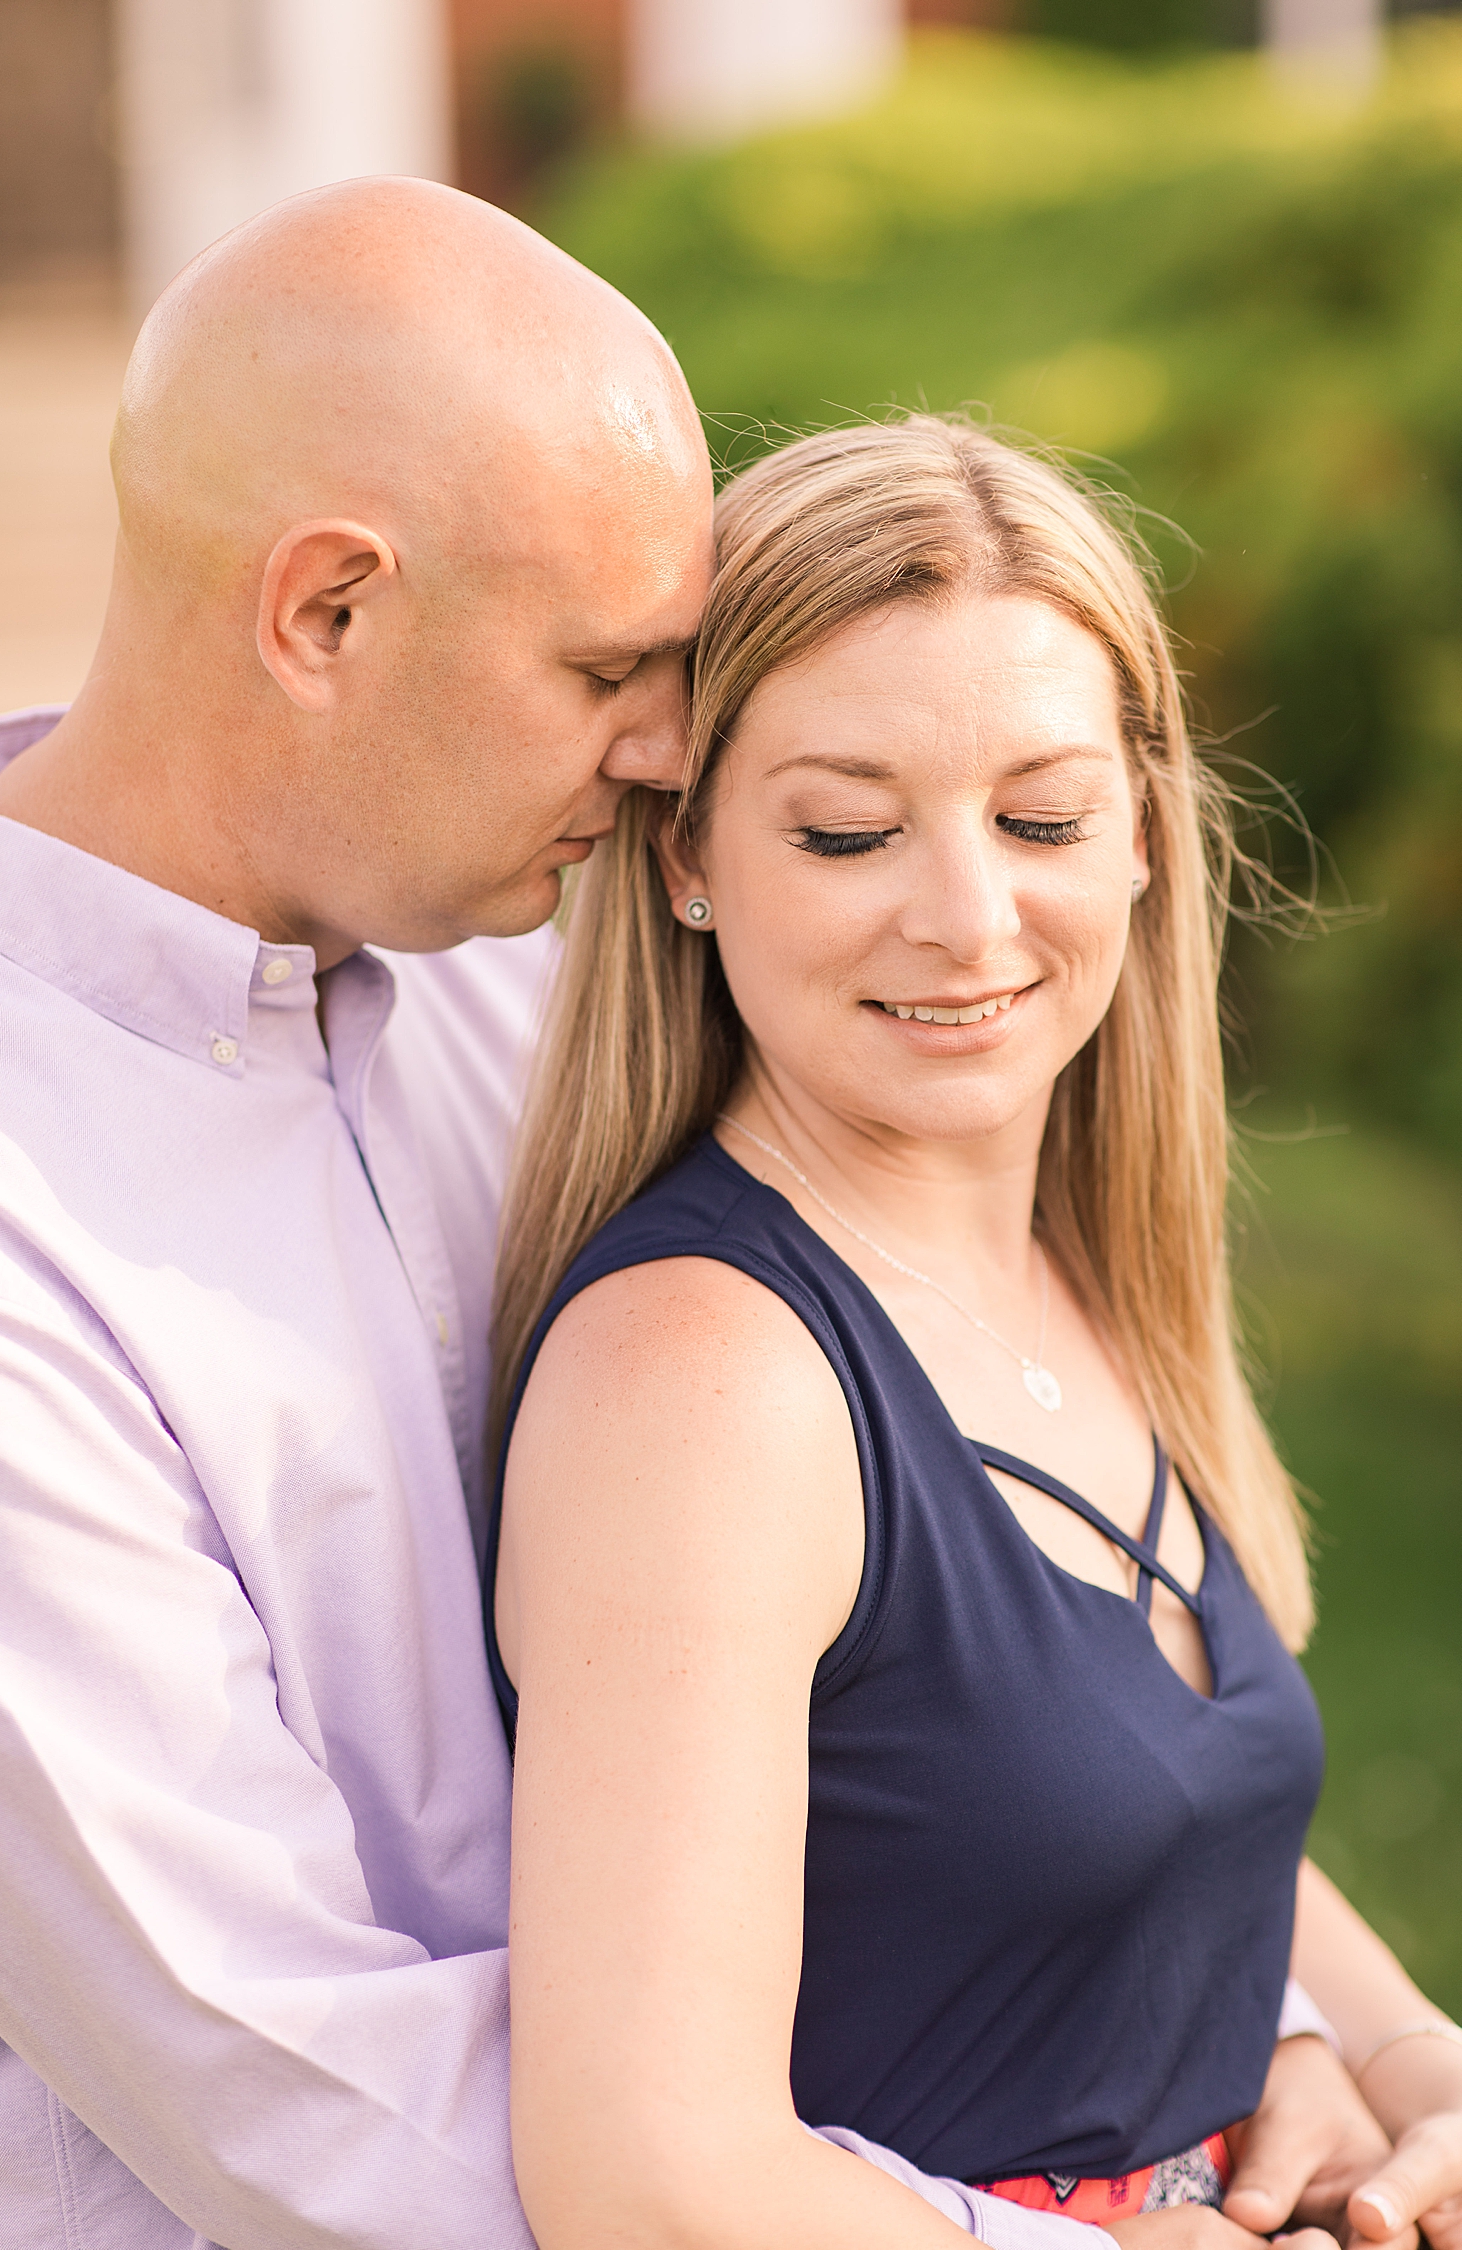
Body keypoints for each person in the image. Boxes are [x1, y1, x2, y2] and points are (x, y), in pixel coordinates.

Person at [0, 177, 1450, 2248]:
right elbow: (298, 2087)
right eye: (607, 669)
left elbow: (956, 1716)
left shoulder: (498, 951)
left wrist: (1260, 2036)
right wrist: (1082, 2220)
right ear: (327, 614)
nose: (670, 754)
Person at [485, 418, 1462, 2250]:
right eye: (848, 828)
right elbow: (642, 2178)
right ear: (691, 857)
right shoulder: (708, 1380)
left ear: (1148, 833)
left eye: (1040, 818)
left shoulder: (1078, 1274)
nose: (965, 917)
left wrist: (1412, 2064)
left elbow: (1161, 1808)